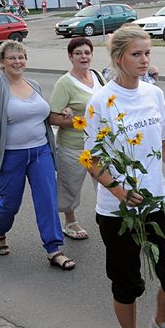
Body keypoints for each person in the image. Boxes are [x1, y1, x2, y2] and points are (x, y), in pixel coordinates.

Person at [84, 25, 165, 328]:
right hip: (117, 212)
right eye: (137, 54)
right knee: (128, 282)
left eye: (147, 53)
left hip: (157, 202)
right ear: (119, 57)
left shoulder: (153, 94)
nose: (145, 60)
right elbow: (92, 159)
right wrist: (119, 191)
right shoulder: (101, 101)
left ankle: (162, 324)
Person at [0, 32, 74, 270]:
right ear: (2, 62)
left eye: (21, 57)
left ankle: (53, 248)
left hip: (40, 152)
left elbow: (44, 114)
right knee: (10, 202)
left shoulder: (33, 85)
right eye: (12, 58)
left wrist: (64, 112)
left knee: (47, 198)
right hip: (10, 155)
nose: (17, 62)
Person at [48, 37, 105, 241]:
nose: (84, 56)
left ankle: (108, 216)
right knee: (70, 186)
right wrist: (75, 121)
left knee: (106, 183)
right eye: (78, 53)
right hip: (73, 146)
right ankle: (70, 221)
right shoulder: (64, 83)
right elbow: (52, 117)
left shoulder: (97, 76)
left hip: (99, 145)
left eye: (87, 53)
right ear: (70, 57)